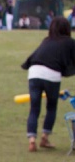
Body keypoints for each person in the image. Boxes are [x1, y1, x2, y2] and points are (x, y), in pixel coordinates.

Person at [21, 16, 75, 151]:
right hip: (52, 75)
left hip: (34, 73)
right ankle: (44, 138)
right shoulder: (70, 42)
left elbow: (33, 57)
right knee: (51, 107)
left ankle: (32, 140)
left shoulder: (46, 40)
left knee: (34, 109)